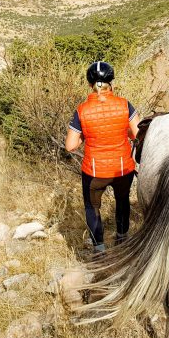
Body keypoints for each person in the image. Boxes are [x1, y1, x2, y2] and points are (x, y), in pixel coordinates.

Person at [65, 61, 140, 253]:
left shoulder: (82, 110)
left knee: (93, 207)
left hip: (95, 170)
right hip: (123, 168)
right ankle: (122, 239)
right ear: (111, 81)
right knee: (122, 201)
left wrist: (85, 136)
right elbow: (137, 134)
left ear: (90, 84)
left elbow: (70, 146)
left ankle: (99, 249)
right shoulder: (125, 105)